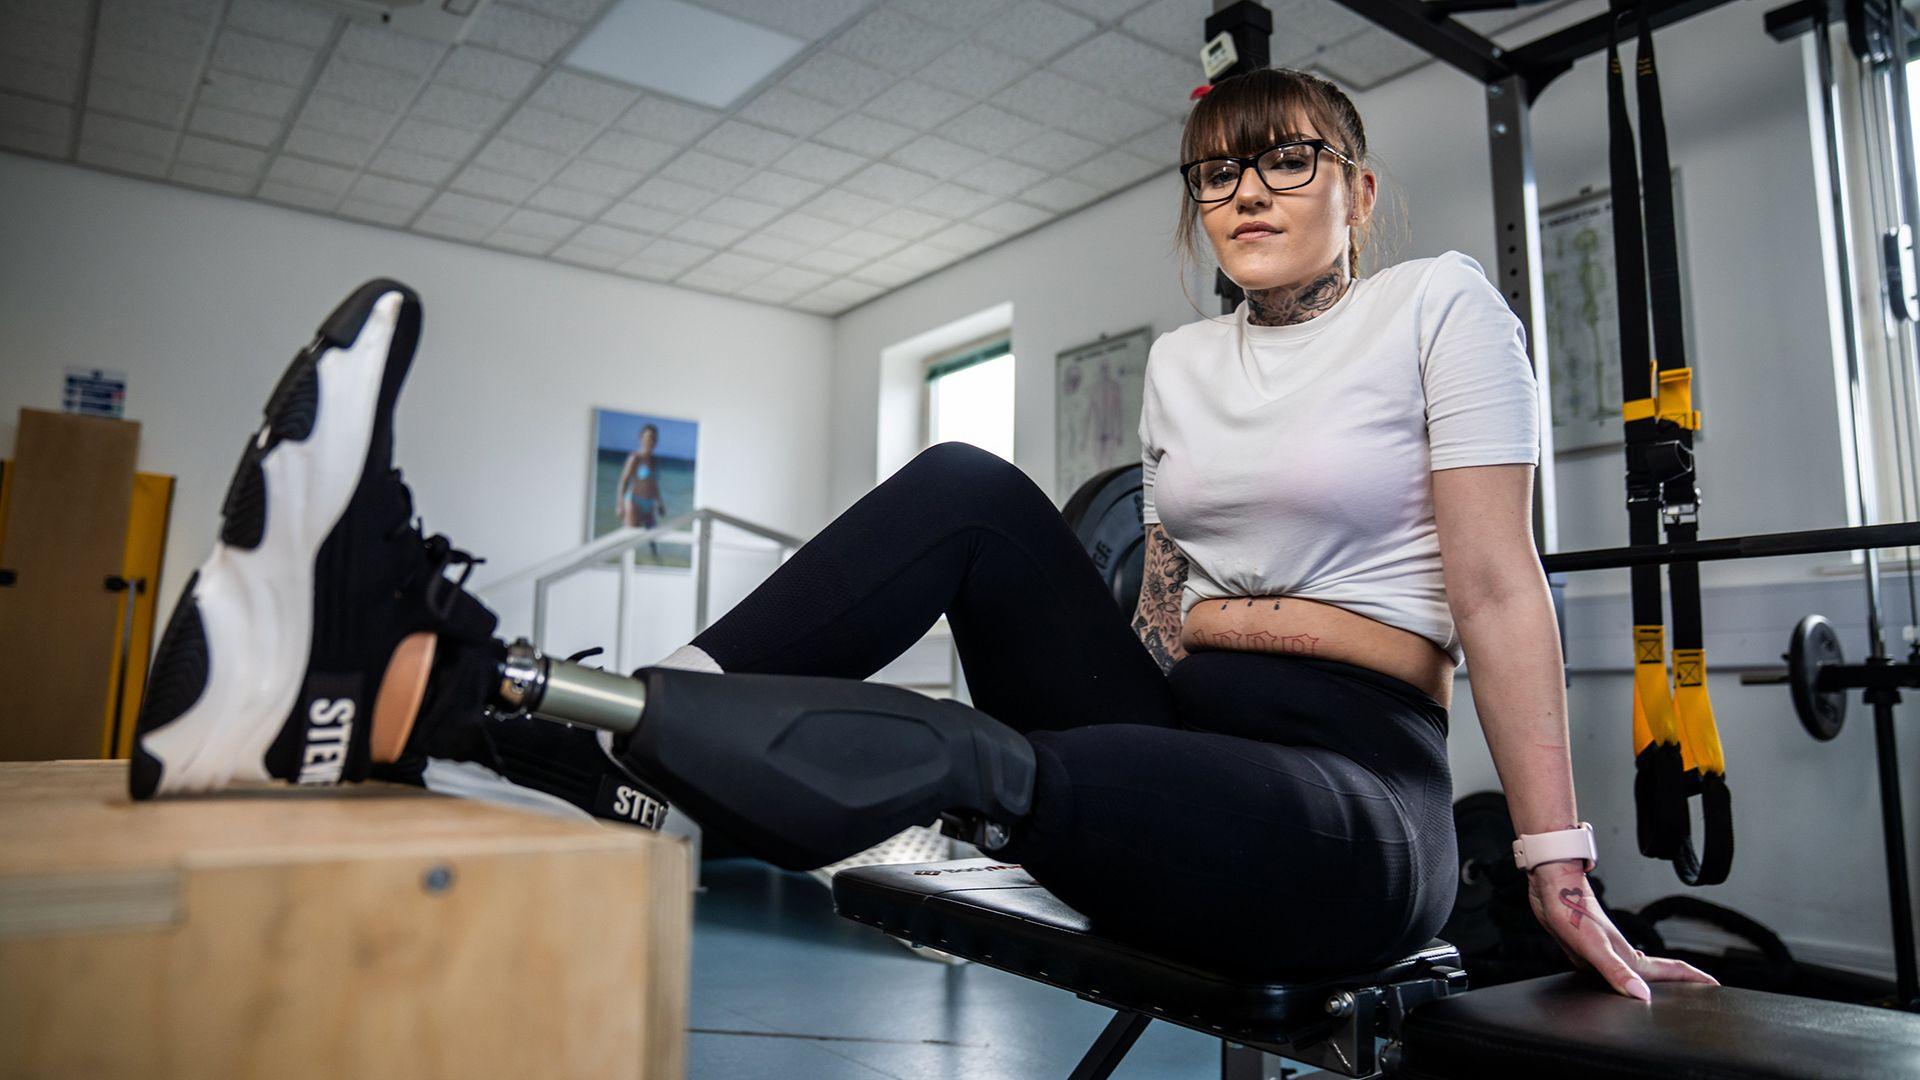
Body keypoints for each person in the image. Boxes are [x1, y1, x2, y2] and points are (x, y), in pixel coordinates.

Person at [129, 68, 1713, 998]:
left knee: (975, 768)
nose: (1246, 186)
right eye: (1214, 169)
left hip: (1349, 794)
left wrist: (1560, 865)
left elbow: (1498, 588)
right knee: (966, 489)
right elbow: (1161, 605)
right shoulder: (1182, 361)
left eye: (1287, 155)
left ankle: (460, 689)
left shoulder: (1444, 308)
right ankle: (515, 708)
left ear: (1356, 185)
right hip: (1182, 724)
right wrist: (1144, 663)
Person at [615, 423, 665, 531]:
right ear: (641, 439)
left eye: (654, 438)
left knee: (651, 541)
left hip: (649, 505)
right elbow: (624, 481)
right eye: (648, 437)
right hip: (634, 502)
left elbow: (654, 485)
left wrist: (660, 503)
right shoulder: (635, 458)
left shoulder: (655, 460)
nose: (651, 441)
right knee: (632, 539)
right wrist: (620, 505)